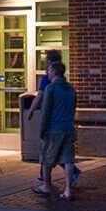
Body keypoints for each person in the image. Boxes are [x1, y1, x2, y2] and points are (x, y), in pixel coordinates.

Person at [32, 61, 77, 199]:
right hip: (69, 128)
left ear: (55, 72)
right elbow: (73, 108)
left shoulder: (51, 88)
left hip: (54, 129)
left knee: (46, 158)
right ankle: (68, 190)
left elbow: (46, 112)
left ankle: (46, 185)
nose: (47, 73)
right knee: (68, 159)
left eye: (49, 71)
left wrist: (42, 131)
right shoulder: (71, 89)